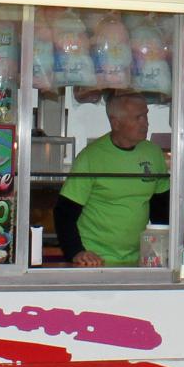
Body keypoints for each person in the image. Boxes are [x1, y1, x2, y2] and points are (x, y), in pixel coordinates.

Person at [56, 92, 170, 267]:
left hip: (140, 259)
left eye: (146, 115)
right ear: (116, 123)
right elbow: (64, 212)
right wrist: (76, 252)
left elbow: (161, 208)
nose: (145, 123)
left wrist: (163, 250)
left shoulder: (154, 154)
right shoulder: (90, 157)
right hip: (94, 261)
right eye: (138, 118)